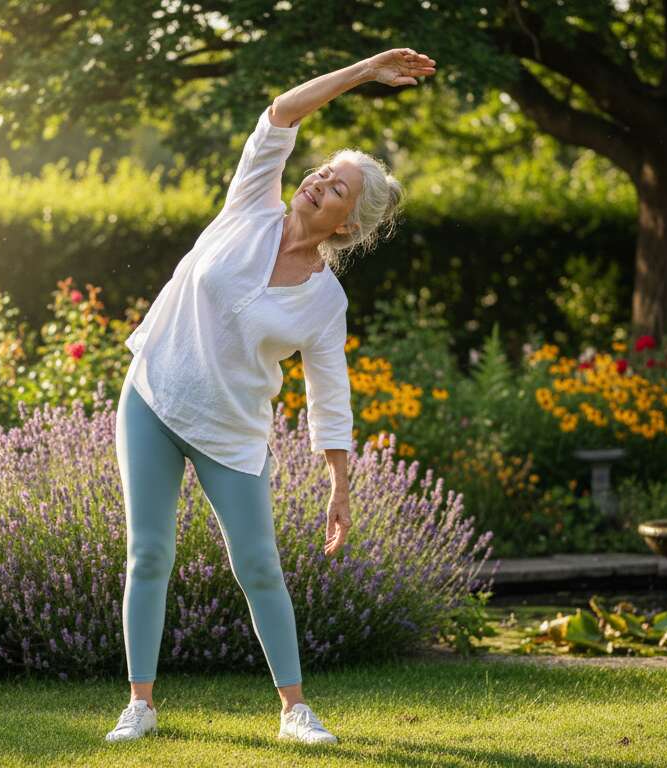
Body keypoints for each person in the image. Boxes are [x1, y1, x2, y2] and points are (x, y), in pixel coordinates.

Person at [107, 47, 435, 745]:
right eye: (323, 171)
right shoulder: (250, 206)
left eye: (337, 188)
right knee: (149, 553)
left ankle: (294, 711)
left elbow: (329, 393)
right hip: (153, 396)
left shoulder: (324, 300)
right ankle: (140, 705)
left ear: (346, 225)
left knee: (259, 565)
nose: (319, 181)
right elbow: (282, 114)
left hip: (231, 431)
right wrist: (364, 72)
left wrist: (340, 483)